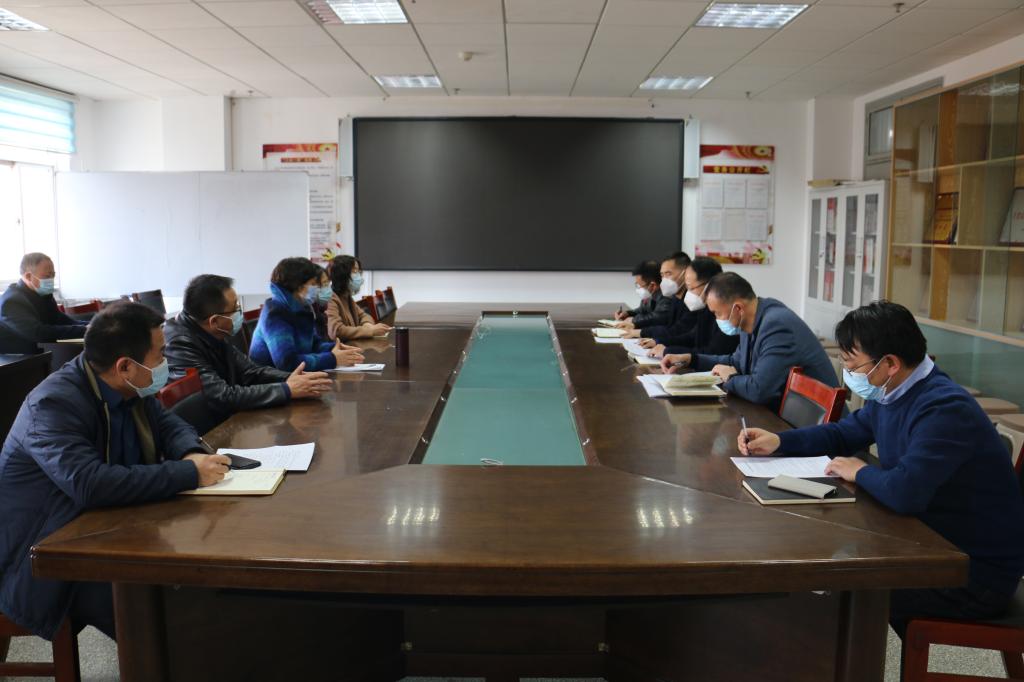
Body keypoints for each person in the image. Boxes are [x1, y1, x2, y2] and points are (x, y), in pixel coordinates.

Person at [738, 301, 1024, 638]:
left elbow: (904, 493)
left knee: (837, 592)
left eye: (853, 364)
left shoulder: (944, 408)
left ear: (890, 363)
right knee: (823, 580)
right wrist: (779, 441)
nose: (848, 372)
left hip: (970, 572)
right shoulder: (896, 391)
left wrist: (859, 471)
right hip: (927, 542)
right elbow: (843, 433)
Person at [0, 302, 231, 641]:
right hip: (45, 558)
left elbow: (169, 424)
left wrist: (192, 454)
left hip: (107, 527)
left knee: (195, 583)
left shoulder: (124, 385)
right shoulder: (53, 405)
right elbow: (90, 485)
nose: (166, 362)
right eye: (161, 353)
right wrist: (188, 473)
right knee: (156, 617)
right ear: (125, 366)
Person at [164, 274, 334, 428]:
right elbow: (222, 396)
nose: (240, 313)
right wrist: (287, 389)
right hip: (207, 433)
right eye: (236, 308)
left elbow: (250, 371)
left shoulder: (212, 331)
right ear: (214, 321)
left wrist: (294, 379)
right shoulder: (180, 344)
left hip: (228, 423)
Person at [661, 272, 837, 410]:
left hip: (813, 427)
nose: (717, 319)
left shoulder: (776, 325)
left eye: (717, 313)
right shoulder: (753, 317)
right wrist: (692, 359)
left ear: (738, 308)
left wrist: (729, 377)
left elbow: (759, 390)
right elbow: (736, 362)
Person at [250, 257, 365, 372]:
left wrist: (334, 348)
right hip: (272, 380)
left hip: (295, 377)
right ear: (299, 286)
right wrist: (333, 359)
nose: (316, 289)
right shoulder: (275, 314)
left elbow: (314, 344)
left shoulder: (302, 308)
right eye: (313, 284)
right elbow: (287, 362)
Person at [639, 257, 738, 360]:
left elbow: (713, 353)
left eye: (691, 288)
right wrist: (659, 342)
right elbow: (692, 337)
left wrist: (668, 351)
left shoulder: (728, 312)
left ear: (710, 285)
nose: (688, 293)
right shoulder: (704, 308)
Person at [0, 252, 87, 354]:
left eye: (53, 275)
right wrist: (85, 330)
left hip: (47, 351)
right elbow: (38, 333)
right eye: (47, 276)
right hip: (21, 359)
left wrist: (94, 326)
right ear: (28, 276)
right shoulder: (11, 301)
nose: (51, 280)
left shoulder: (44, 294)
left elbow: (61, 320)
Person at [619, 252, 693, 339]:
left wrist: (638, 328)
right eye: (662, 275)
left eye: (668, 274)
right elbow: (670, 329)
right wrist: (630, 316)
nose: (664, 279)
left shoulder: (689, 301)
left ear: (685, 273)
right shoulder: (676, 298)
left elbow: (676, 330)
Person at [324, 256, 391, 341]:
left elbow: (364, 315)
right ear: (342, 275)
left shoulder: (346, 296)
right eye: (355, 271)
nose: (358, 275)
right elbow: (337, 330)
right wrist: (370, 331)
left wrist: (367, 325)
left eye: (359, 271)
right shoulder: (330, 298)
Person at [613, 260, 674, 329]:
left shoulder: (667, 296)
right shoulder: (650, 295)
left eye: (639, 285)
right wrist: (627, 313)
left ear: (653, 285)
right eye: (636, 284)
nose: (638, 288)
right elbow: (641, 310)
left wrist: (633, 320)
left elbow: (658, 317)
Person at [311, 265, 332, 339]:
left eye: (328, 282)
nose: (327, 286)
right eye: (324, 283)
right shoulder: (308, 309)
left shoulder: (322, 305)